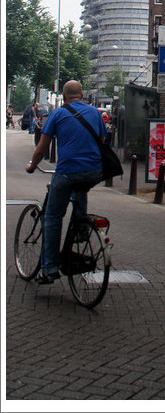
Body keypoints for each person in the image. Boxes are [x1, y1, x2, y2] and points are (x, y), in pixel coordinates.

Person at [26, 80, 106, 284]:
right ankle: (81, 226)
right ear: (81, 95)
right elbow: (103, 142)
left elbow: (42, 149)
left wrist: (32, 166)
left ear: (64, 95)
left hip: (67, 172)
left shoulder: (58, 114)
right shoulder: (95, 113)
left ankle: (50, 268)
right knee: (81, 185)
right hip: (95, 171)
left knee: (53, 217)